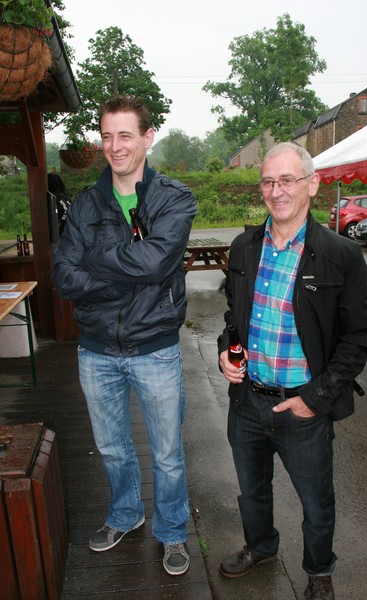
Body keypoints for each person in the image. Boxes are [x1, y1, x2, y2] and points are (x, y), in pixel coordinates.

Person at [217, 142, 367, 599]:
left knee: (316, 501)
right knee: (251, 491)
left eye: (287, 180)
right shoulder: (244, 248)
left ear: (312, 184)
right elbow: (233, 317)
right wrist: (227, 352)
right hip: (248, 401)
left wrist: (315, 399)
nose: (276, 190)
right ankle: (261, 547)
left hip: (303, 407)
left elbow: (359, 338)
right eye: (268, 181)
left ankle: (319, 571)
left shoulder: (340, 254)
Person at [52, 95, 197, 576]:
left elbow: (156, 262)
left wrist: (95, 262)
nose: (115, 146)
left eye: (125, 135)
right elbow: (63, 276)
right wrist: (120, 278)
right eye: (107, 136)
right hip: (95, 351)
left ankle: (172, 531)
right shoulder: (84, 204)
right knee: (113, 447)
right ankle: (126, 513)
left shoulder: (174, 198)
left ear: (147, 138)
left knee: (168, 454)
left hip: (155, 348)